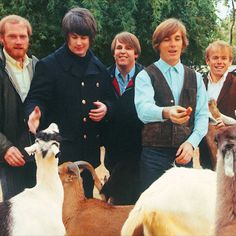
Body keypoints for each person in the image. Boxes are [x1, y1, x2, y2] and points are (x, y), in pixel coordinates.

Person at [24, 7, 113, 198]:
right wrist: (33, 114)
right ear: (67, 37)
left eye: (84, 37)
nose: (79, 42)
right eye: (74, 37)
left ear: (91, 38)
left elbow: (110, 99)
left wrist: (106, 108)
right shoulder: (49, 65)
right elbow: (35, 99)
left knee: (83, 213)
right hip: (59, 156)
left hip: (87, 156)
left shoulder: (99, 68)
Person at [134, 18, 208, 192]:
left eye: (177, 38)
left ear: (183, 43)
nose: (173, 44)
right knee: (152, 211)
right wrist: (166, 112)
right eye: (167, 39)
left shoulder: (195, 78)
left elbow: (202, 116)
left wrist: (191, 144)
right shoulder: (145, 76)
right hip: (153, 155)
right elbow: (143, 110)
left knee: (181, 211)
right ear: (158, 44)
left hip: (184, 154)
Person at [103, 32, 144, 204]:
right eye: (119, 47)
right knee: (117, 203)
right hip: (113, 151)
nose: (123, 51)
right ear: (113, 53)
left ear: (136, 53)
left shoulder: (146, 77)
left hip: (140, 150)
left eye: (128, 48)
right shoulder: (104, 76)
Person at [0, 15, 38, 200]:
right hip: (11, 157)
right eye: (12, 36)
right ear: (1, 38)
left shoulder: (38, 67)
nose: (18, 41)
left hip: (39, 156)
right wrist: (4, 148)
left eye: (23, 37)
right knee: (15, 218)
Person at [199, 40, 236, 169]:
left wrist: (229, 124)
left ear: (230, 62)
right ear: (207, 61)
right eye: (215, 58)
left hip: (231, 148)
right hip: (206, 147)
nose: (219, 62)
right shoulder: (200, 84)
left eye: (224, 58)